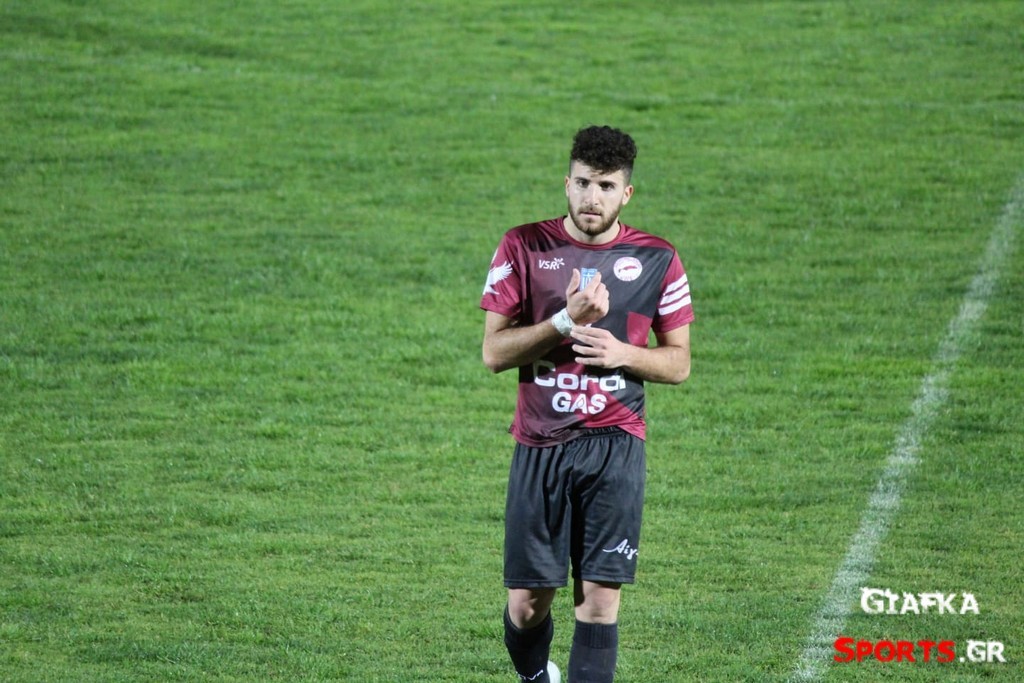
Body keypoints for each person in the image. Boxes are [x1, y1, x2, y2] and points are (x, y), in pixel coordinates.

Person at [480, 125, 694, 682]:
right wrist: (563, 321)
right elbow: (494, 353)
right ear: (566, 183)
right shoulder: (524, 245)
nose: (591, 198)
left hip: (615, 445)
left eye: (605, 186)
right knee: (527, 604)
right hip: (540, 444)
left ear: (627, 193)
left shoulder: (657, 258)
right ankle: (536, 676)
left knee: (599, 602)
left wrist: (623, 353)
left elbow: (678, 363)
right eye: (581, 183)